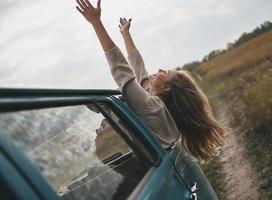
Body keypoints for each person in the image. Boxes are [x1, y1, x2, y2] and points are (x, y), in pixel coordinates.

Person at [75, 0, 224, 162]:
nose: (159, 70)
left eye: (164, 73)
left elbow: (123, 72)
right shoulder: (156, 104)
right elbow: (138, 68)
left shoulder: (154, 109)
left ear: (166, 88)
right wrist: (126, 34)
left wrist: (97, 23)